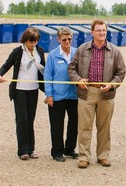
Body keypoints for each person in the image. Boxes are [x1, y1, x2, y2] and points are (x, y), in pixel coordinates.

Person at [68, 20, 126, 169]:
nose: (102, 33)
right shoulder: (82, 49)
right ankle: (84, 157)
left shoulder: (115, 51)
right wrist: (78, 80)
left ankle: (103, 156)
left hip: (106, 94)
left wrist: (112, 84)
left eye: (104, 30)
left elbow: (121, 72)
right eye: (99, 30)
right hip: (86, 93)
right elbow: (71, 69)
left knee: (104, 127)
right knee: (84, 127)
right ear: (92, 32)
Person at [0, 27, 45, 160]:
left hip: (33, 89)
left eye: (35, 42)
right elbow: (7, 65)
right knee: (22, 120)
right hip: (20, 90)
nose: (33, 45)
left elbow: (44, 70)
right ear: (25, 40)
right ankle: (23, 150)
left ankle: (31, 149)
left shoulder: (39, 51)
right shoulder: (18, 52)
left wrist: (48, 89)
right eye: (31, 42)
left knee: (30, 120)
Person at [44, 27, 78, 162]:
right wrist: (49, 95)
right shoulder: (52, 55)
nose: (67, 41)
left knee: (74, 123)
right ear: (58, 39)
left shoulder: (77, 53)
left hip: (74, 95)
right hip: (57, 96)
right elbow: (48, 76)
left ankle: (69, 149)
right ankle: (57, 151)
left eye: (69, 39)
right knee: (57, 124)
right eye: (64, 39)